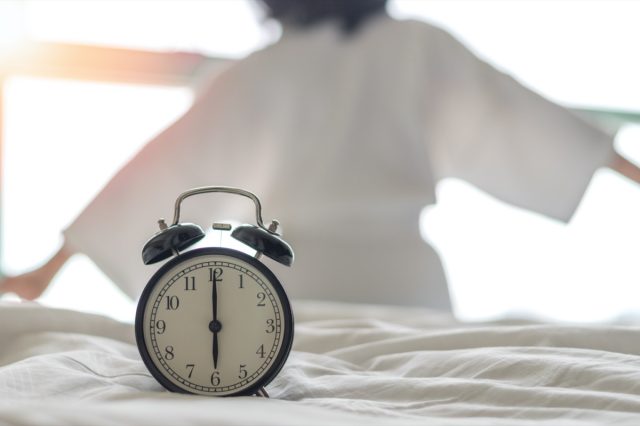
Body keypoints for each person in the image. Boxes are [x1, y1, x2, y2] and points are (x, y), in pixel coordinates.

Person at [2, 0, 639, 311]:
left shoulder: (260, 72)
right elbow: (529, 123)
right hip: (407, 288)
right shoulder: (419, 46)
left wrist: (47, 270)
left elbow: (161, 173)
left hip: (291, 293)